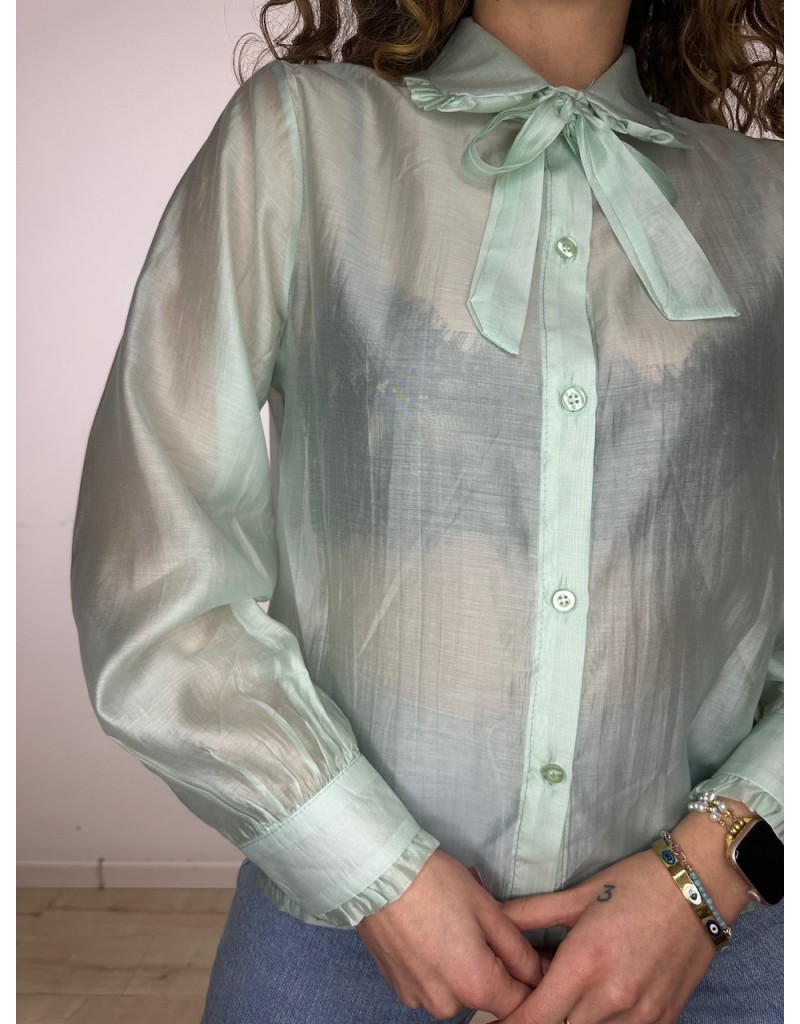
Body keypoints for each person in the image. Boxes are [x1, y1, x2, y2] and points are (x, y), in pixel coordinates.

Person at [71, 0, 783, 1021]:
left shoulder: (771, 201)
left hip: (712, 936)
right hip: (343, 934)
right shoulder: (301, 140)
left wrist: (710, 870)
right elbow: (153, 574)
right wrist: (377, 870)